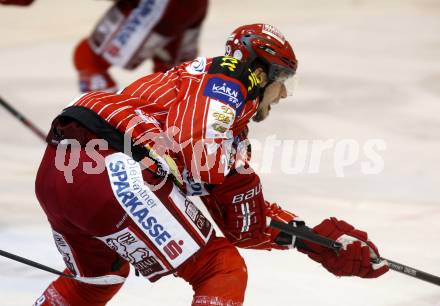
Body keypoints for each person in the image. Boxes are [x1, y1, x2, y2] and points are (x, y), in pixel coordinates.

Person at [33, 23, 389, 306]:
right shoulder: (230, 76)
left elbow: (240, 220)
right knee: (221, 269)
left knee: (97, 280)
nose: (283, 96)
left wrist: (315, 240)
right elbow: (198, 152)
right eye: (284, 81)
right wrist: (239, 185)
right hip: (113, 168)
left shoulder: (217, 107)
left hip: (60, 170)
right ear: (262, 71)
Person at [73, 0, 209, 93]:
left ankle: (105, 125)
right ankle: (182, 126)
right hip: (193, 5)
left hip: (160, 5)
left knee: (89, 59)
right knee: (176, 74)